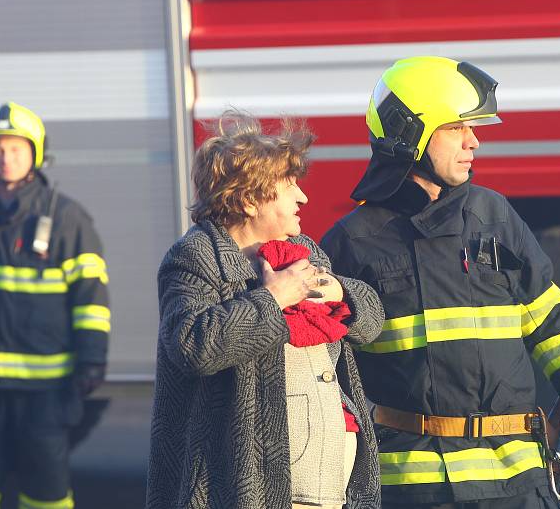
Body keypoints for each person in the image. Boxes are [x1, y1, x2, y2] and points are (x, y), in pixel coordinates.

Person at [320, 56, 560, 508]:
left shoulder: (495, 217)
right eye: (457, 128)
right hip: (414, 491)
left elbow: (551, 326)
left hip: (517, 485)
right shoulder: (351, 244)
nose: (473, 142)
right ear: (410, 132)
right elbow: (325, 378)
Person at [145, 112, 384, 509]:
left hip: (334, 492)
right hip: (256, 494)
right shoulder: (195, 258)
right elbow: (193, 346)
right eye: (290, 186)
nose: (303, 197)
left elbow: (372, 321)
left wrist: (339, 290)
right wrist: (274, 300)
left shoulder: (303, 251)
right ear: (250, 197)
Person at [0, 102, 109, 509]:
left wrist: (91, 362)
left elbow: (92, 300)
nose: (5, 157)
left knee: (46, 498)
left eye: (15, 148)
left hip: (46, 393)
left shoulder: (65, 219)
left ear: (35, 153)